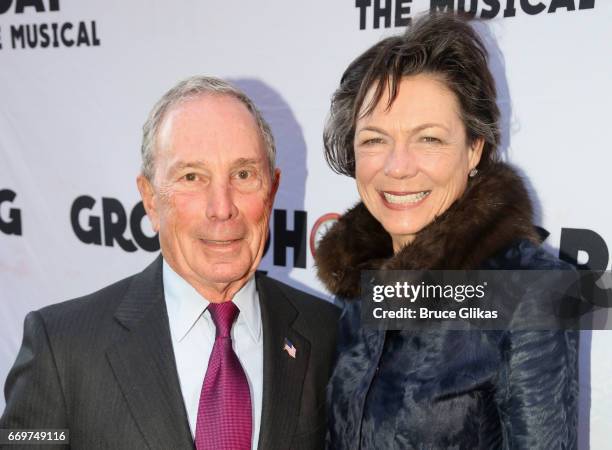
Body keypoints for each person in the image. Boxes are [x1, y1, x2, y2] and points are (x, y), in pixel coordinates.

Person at [1, 76, 339, 450]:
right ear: (150, 200)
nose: (222, 208)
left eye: (243, 175)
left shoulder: (326, 333)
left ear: (272, 190)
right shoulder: (61, 349)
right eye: (192, 177)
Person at [315, 14, 578, 449]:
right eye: (374, 139)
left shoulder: (527, 290)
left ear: (475, 148)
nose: (397, 167)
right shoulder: (359, 283)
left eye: (429, 139)